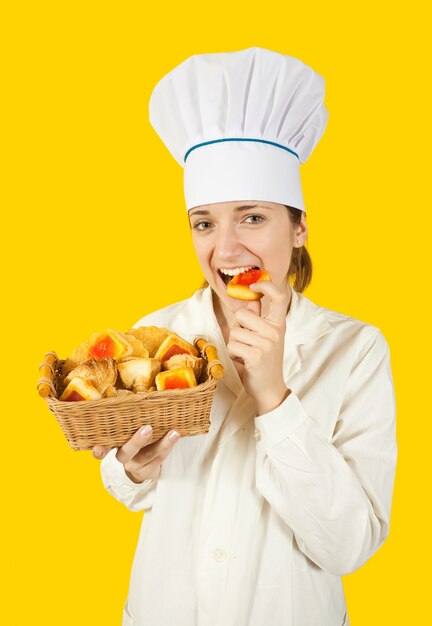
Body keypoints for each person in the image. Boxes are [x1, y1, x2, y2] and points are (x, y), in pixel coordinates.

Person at [92, 48, 397, 626]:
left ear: (299, 226)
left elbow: (348, 546)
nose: (226, 249)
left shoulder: (355, 349)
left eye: (252, 217)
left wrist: (276, 399)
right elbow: (131, 489)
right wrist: (130, 468)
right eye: (205, 222)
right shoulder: (157, 337)